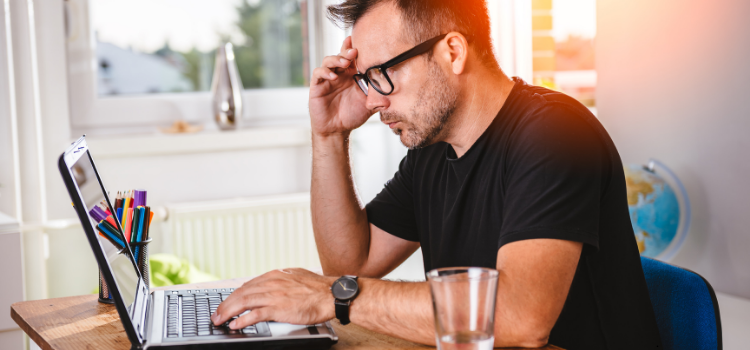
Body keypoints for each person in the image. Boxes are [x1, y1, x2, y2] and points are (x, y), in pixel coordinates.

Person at [212, 0, 663, 348]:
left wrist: (336, 296)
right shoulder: (433, 151)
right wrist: (329, 134)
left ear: (452, 51)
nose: (372, 101)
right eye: (366, 79)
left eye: (382, 74)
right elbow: (350, 263)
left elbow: (521, 317)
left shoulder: (556, 134)